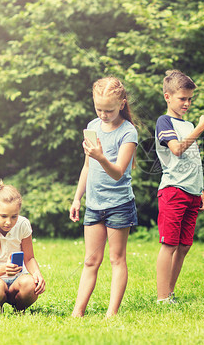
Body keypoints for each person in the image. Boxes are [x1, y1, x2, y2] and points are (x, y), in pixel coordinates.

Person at [69, 77, 139, 318]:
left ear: (122, 104)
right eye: (99, 109)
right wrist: (78, 198)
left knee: (116, 259)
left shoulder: (128, 132)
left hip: (119, 205)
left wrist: (100, 156)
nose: (103, 114)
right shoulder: (93, 126)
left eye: (109, 110)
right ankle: (77, 312)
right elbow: (87, 167)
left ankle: (112, 313)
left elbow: (119, 172)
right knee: (90, 261)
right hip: (94, 204)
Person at [155, 70, 204, 303]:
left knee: (184, 245)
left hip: (191, 192)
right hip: (173, 190)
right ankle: (162, 298)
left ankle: (170, 292)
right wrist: (200, 128)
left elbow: (193, 159)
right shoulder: (164, 121)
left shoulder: (188, 123)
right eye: (183, 98)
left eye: (190, 99)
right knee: (169, 244)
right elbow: (177, 149)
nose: (187, 103)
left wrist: (200, 190)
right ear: (167, 97)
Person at [0, 180, 46, 313]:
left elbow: (29, 258)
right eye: (3, 216)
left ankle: (19, 310)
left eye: (14, 216)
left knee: (31, 285)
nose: (9, 222)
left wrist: (37, 274)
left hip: (17, 278)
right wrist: (5, 269)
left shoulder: (23, 224)